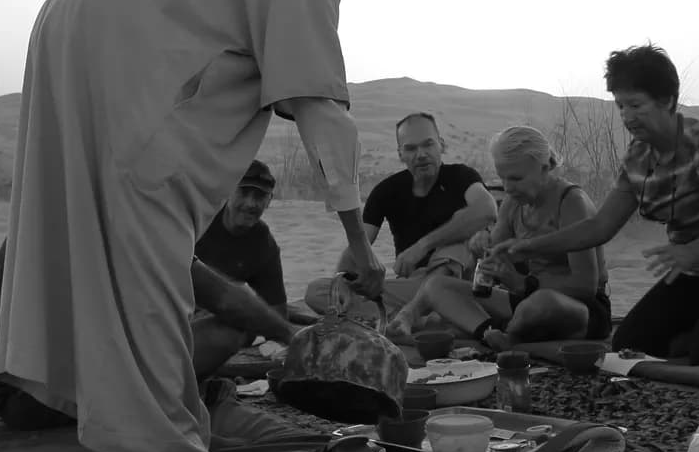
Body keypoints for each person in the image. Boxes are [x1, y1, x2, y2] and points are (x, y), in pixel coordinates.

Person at [0, 0, 389, 452]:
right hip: (117, 52)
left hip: (73, 25)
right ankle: (159, 449)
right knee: (148, 225)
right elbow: (321, 111)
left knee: (105, 230)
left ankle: (112, 412)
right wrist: (360, 248)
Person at [495, 44, 699, 365]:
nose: (627, 116)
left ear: (666, 100)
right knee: (632, 341)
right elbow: (600, 226)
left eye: (636, 105)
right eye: (621, 106)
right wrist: (531, 247)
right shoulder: (638, 158)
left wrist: (692, 251)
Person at [0, 245, 295, 432]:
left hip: (9, 384)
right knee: (234, 328)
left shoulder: (53, 201)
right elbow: (225, 299)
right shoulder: (119, 207)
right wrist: (290, 336)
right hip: (30, 396)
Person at [389, 125, 611, 348]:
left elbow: (585, 286)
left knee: (540, 304)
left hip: (578, 309)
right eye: (502, 178)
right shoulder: (514, 203)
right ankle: (418, 321)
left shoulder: (571, 203)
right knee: (436, 286)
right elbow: (495, 252)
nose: (508, 187)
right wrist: (482, 248)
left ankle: (503, 335)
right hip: (525, 299)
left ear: (545, 167)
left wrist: (522, 283)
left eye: (516, 178)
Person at [303, 111, 498, 315]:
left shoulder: (461, 176)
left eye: (428, 144)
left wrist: (423, 246)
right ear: (400, 154)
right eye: (411, 148)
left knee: (461, 238)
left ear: (441, 145)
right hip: (410, 285)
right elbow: (359, 242)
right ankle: (416, 316)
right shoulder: (387, 191)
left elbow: (487, 210)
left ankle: (396, 315)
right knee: (318, 291)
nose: (421, 154)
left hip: (454, 282)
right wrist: (342, 277)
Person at [194, 159, 287, 312]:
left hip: (223, 316)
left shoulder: (264, 243)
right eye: (243, 193)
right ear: (227, 192)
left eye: (260, 196)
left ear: (269, 201)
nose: (250, 203)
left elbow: (277, 309)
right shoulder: (200, 220)